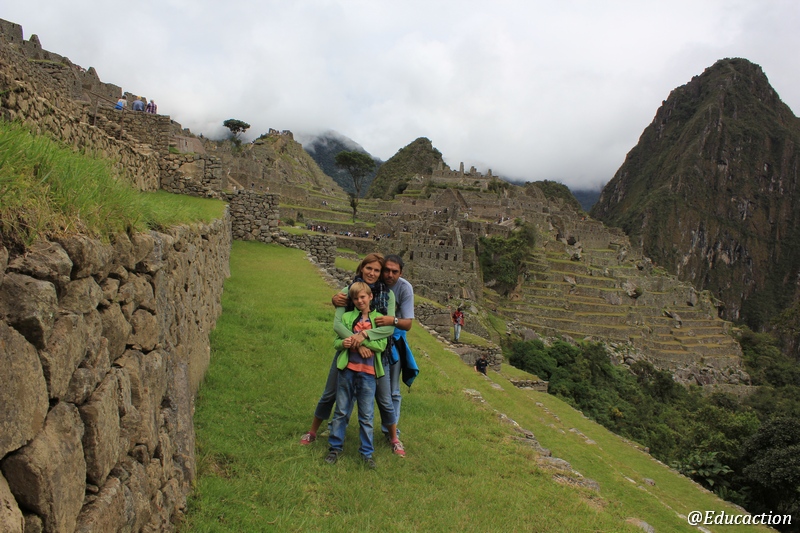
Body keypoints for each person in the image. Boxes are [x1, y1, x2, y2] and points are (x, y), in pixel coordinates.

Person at [300, 253, 405, 456]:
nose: (372, 273)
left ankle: (394, 438)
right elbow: (338, 325)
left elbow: (388, 328)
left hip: (377, 355)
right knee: (330, 393)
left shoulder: (387, 296)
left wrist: (363, 338)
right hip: (348, 352)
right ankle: (312, 431)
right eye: (368, 268)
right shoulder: (349, 292)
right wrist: (357, 345)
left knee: (385, 399)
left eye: (376, 270)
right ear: (361, 268)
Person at [325, 282, 387, 468]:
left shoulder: (378, 319)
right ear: (352, 300)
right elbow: (337, 342)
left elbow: (381, 345)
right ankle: (334, 448)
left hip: (368, 374)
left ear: (370, 297)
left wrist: (363, 340)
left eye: (363, 297)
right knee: (341, 410)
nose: (360, 301)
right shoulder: (347, 317)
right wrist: (345, 344)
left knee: (366, 414)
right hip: (348, 370)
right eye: (356, 298)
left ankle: (367, 452)